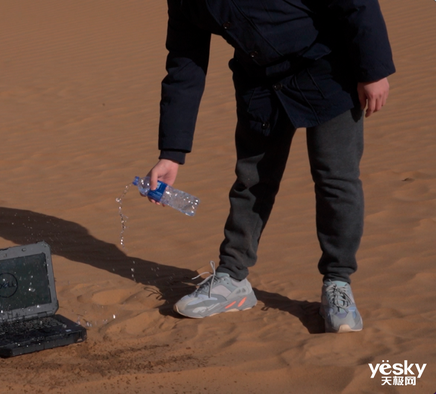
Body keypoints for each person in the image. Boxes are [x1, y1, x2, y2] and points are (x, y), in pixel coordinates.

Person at [144, 0, 395, 333]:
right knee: (252, 181)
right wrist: (171, 153)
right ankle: (233, 280)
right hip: (259, 83)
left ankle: (338, 284)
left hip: (326, 67)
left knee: (336, 178)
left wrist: (373, 69)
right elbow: (184, 65)